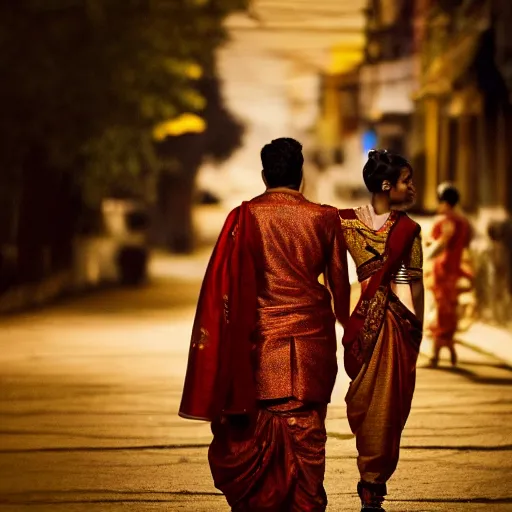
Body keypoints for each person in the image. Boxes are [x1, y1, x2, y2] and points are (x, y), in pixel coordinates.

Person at [179, 137, 351, 511]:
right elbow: (340, 290)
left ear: (263, 175)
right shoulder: (325, 218)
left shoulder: (245, 216)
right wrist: (355, 334)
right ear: (300, 175)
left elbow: (223, 287)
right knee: (307, 435)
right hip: (313, 348)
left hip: (260, 347)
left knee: (255, 437)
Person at [338, 149, 424, 511]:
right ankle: (372, 485)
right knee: (370, 405)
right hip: (372, 322)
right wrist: (419, 324)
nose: (414, 188)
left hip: (389, 322)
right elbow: (334, 274)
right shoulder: (343, 223)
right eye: (407, 181)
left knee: (386, 407)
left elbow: (413, 280)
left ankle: (372, 485)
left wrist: (416, 328)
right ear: (387, 185)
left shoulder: (405, 229)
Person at [426, 183, 473, 367]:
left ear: (443, 202)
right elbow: (465, 246)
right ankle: (449, 352)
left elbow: (439, 245)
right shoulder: (464, 222)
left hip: (442, 270)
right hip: (454, 271)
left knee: (439, 309)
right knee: (449, 309)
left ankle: (435, 355)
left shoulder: (444, 221)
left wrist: (428, 249)